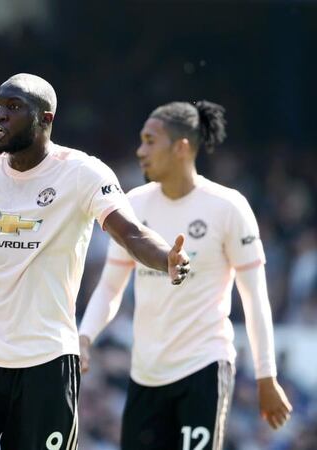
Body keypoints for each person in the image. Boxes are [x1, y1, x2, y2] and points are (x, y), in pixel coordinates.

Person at [0, 73, 190, 450]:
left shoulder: (82, 174)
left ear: (46, 119)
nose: (0, 116)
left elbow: (132, 232)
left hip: (45, 366)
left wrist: (165, 258)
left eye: (14, 108)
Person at [79, 100, 293, 449]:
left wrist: (266, 376)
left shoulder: (228, 206)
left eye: (150, 140)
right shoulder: (133, 204)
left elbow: (255, 300)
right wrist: (85, 337)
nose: (140, 150)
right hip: (145, 374)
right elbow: (110, 286)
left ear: (181, 147)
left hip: (204, 369)